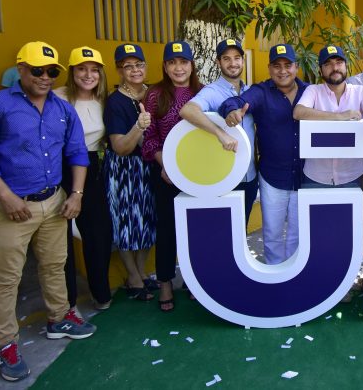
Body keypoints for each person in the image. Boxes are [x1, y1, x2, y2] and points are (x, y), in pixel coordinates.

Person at [0, 41, 96, 382]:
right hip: (12, 206)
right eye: (37, 70)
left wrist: (77, 194)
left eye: (51, 72)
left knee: (55, 266)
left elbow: (78, 152)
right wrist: (6, 196)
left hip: (54, 201)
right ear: (20, 69)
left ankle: (58, 318)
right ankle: (5, 345)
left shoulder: (61, 109)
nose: (45, 77)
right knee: (8, 279)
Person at [220, 44, 310, 265]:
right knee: (272, 236)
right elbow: (235, 102)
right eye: (277, 66)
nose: (282, 71)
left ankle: (295, 279)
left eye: (287, 65)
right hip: (273, 177)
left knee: (299, 236)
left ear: (296, 67)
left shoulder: (310, 91)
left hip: (306, 176)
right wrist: (231, 110)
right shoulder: (260, 92)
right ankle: (275, 281)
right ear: (269, 68)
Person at [143, 40, 203, 311]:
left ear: (192, 65)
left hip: (199, 175)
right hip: (166, 174)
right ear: (165, 66)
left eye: (183, 62)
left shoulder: (202, 93)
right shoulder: (155, 94)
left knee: (196, 229)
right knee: (167, 230)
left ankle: (194, 281)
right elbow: (150, 138)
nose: (178, 68)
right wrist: (166, 165)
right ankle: (166, 283)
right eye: (172, 62)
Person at [54, 46, 113, 311]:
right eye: (81, 69)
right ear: (72, 72)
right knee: (60, 240)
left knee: (98, 235)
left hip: (93, 167)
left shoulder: (105, 100)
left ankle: (100, 293)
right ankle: (66, 302)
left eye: (94, 70)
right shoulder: (57, 98)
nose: (88, 75)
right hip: (60, 168)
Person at [179, 38, 258, 223]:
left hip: (250, 177)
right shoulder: (212, 91)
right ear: (218, 62)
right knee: (224, 233)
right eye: (226, 58)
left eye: (237, 58)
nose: (233, 63)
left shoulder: (250, 91)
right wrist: (220, 133)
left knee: (242, 233)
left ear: (243, 60)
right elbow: (187, 110)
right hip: (225, 179)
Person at [104, 43, 156, 303]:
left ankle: (143, 271)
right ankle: (133, 277)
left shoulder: (153, 94)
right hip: (124, 170)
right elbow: (120, 147)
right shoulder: (115, 102)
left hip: (150, 167)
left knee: (148, 221)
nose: (135, 70)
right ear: (119, 70)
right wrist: (138, 126)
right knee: (126, 223)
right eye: (128, 66)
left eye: (139, 64)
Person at [294, 44, 363, 187]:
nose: (335, 68)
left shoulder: (360, 91)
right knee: (316, 210)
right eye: (328, 64)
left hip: (352, 175)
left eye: (339, 62)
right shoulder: (313, 91)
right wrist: (339, 116)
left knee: (352, 210)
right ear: (320, 70)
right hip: (316, 175)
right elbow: (298, 112)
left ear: (345, 66)